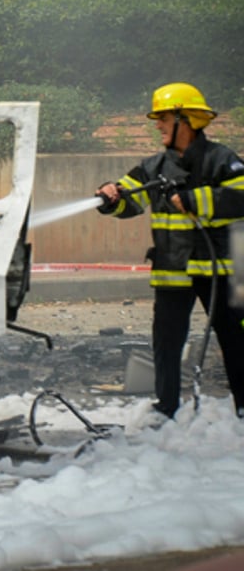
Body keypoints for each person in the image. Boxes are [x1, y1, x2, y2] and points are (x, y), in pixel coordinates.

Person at [94, 82, 244, 419]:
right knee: (166, 343)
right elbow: (128, 198)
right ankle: (166, 408)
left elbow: (241, 198)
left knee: (236, 339)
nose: (157, 125)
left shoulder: (223, 161)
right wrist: (109, 198)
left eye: (162, 118)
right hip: (172, 271)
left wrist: (196, 199)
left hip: (220, 271)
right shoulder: (152, 167)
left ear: (185, 119)